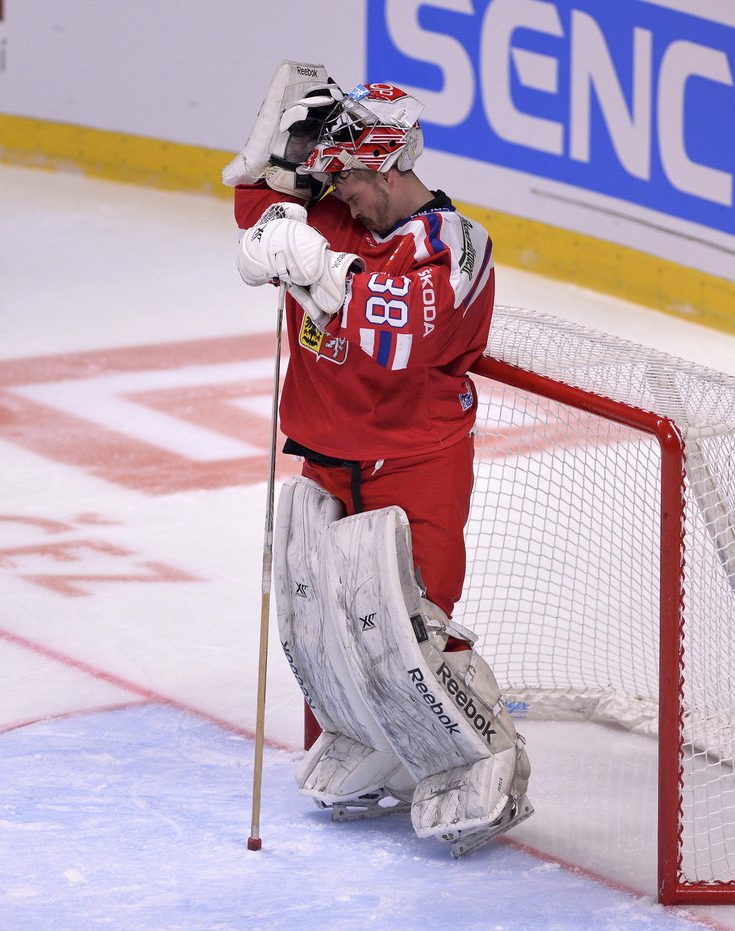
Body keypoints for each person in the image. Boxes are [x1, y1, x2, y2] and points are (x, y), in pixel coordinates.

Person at [224, 61, 531, 856]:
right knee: (327, 621)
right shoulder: (333, 215)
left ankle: (484, 758)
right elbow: (256, 208)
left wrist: (314, 263)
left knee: (412, 628)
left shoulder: (456, 243)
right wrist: (279, 155)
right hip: (329, 455)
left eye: (351, 176)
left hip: (413, 463)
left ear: (390, 163)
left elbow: (395, 340)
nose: (340, 192)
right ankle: (373, 738)